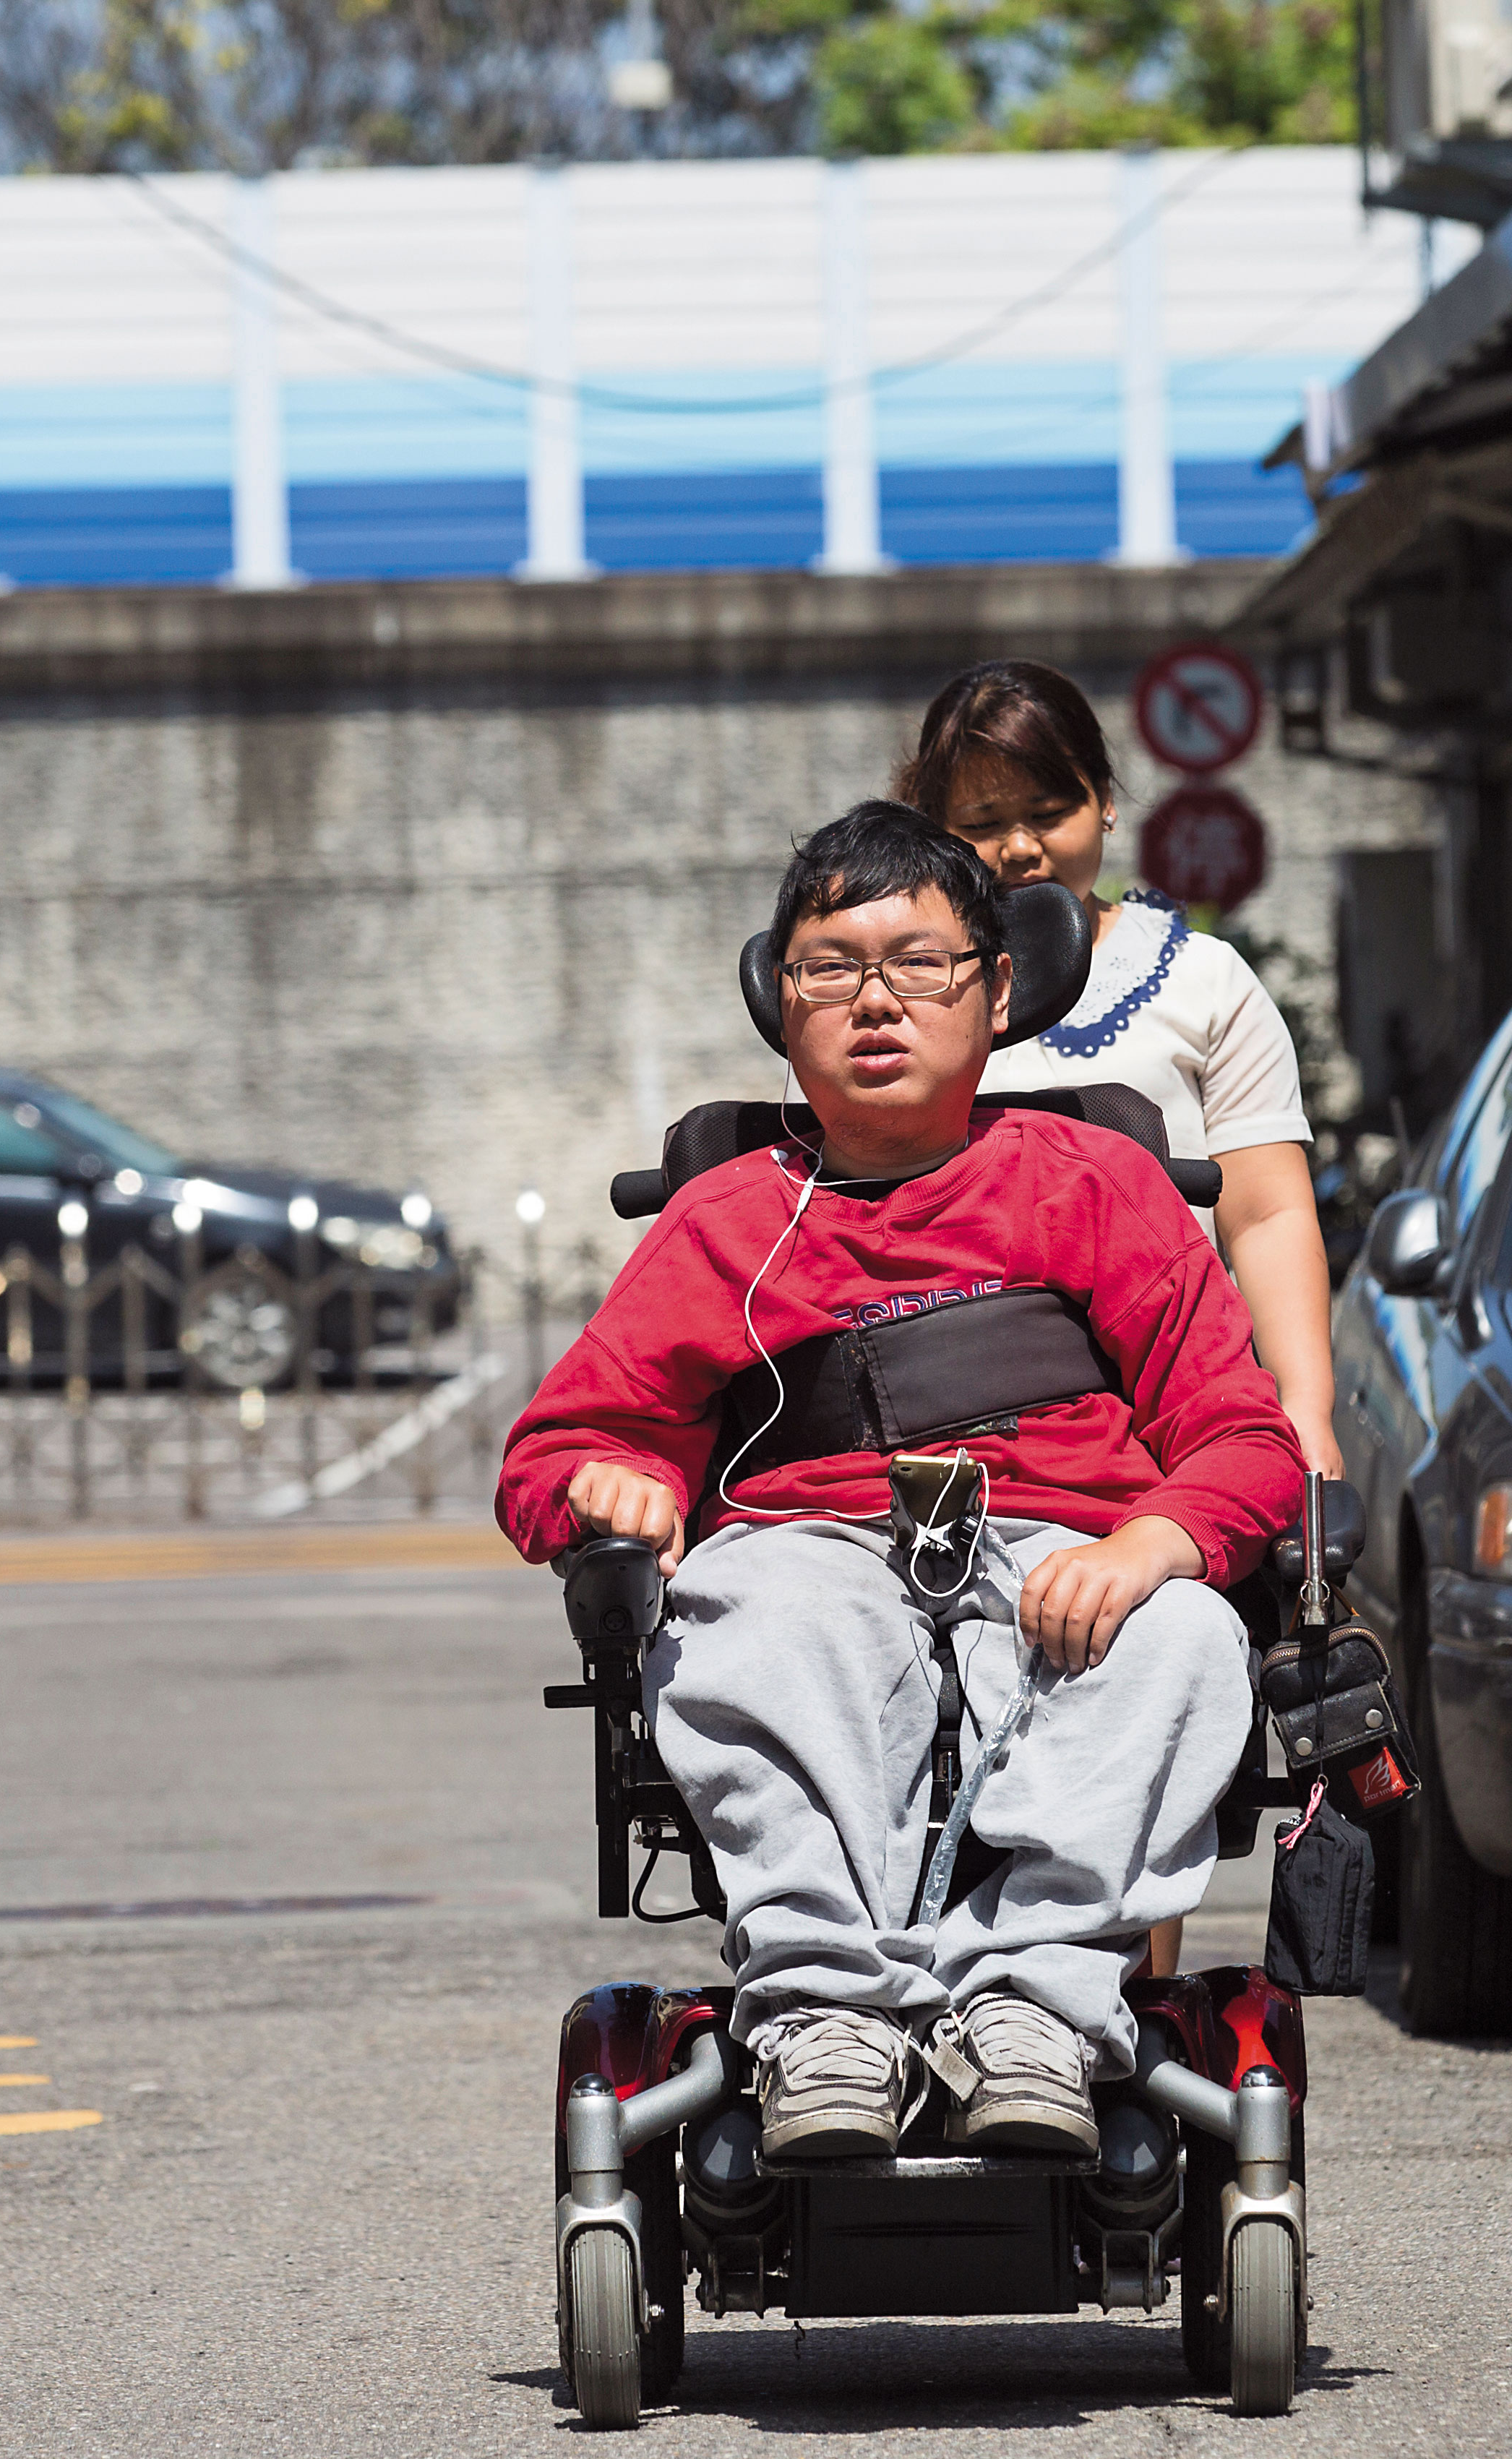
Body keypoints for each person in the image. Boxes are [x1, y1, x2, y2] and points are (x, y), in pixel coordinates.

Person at [499, 801, 1306, 2163]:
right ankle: (827, 2016)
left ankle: (1034, 2008)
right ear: (779, 1002)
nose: (875, 999)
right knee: (764, 1610)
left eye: (919, 963)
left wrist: (1152, 1545)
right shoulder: (727, 1219)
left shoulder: (1096, 1183)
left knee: (1179, 1632)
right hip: (811, 1546)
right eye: (831, 967)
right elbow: (553, 1451)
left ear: (995, 994)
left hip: (1068, 1547)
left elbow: (1242, 1439)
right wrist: (612, 1481)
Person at [899, 659, 1342, 1477]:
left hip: (1178, 1412)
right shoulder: (884, 991)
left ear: (1105, 801)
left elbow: (1265, 1216)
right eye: (983, 820)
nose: (1021, 848)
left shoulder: (1203, 980)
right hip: (943, 1428)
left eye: (1048, 810)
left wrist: (1303, 1414)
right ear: (931, 828)